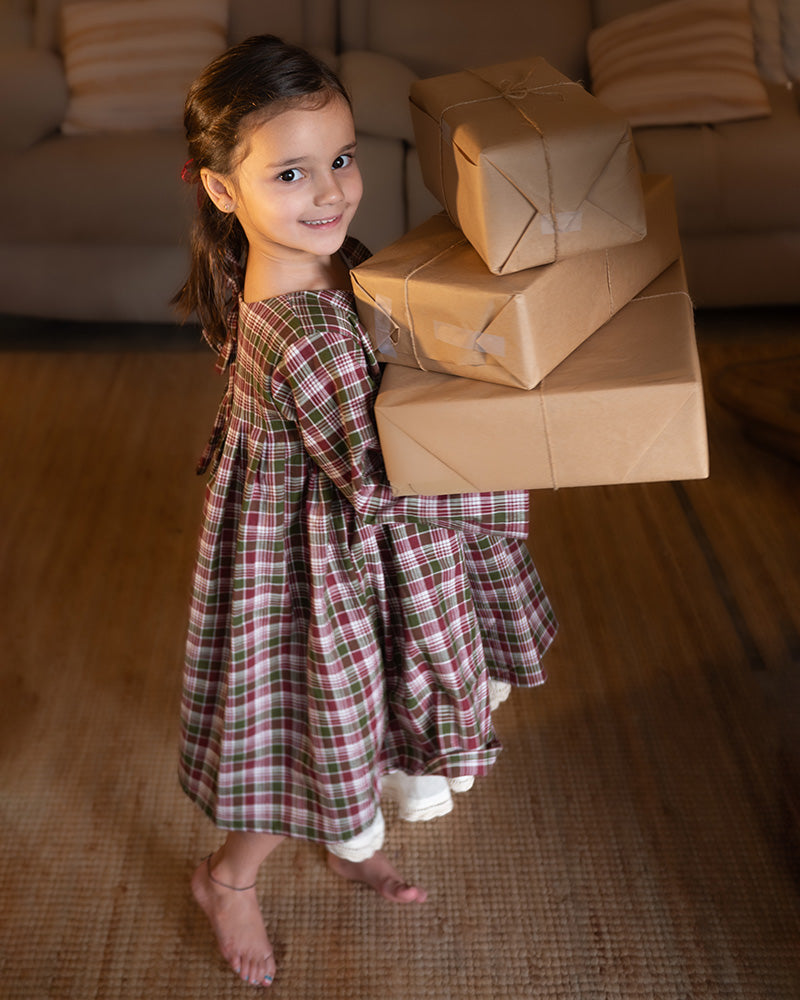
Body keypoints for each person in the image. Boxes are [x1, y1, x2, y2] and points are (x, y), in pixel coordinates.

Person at [173, 35, 556, 989]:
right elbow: (387, 478)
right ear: (223, 190)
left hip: (327, 536)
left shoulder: (317, 262)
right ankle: (229, 879)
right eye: (292, 173)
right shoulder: (303, 327)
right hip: (318, 563)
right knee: (304, 723)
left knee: (359, 719)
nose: (331, 192)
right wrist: (512, 443)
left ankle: (348, 840)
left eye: (341, 159)